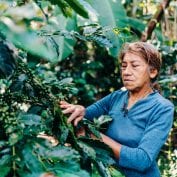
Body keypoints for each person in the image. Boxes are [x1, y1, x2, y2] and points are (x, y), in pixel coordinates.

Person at [60, 42, 174, 177]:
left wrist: (94, 137)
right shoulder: (117, 97)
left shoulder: (162, 108)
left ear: (153, 71)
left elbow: (142, 160)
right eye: (124, 66)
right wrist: (78, 110)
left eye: (135, 66)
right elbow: (87, 113)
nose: (126, 72)